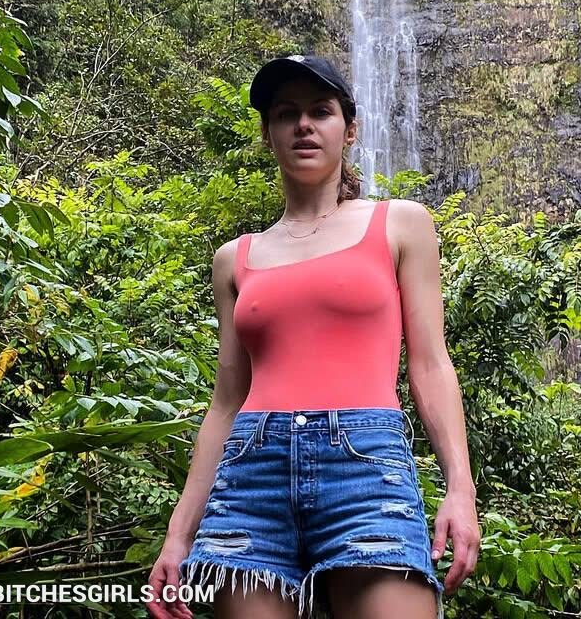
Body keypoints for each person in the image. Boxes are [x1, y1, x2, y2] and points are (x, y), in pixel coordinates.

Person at [147, 54, 480, 619]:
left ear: (349, 130)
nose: (303, 125)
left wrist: (460, 490)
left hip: (365, 469)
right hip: (251, 478)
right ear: (268, 133)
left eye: (320, 111)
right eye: (286, 113)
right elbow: (226, 402)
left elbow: (429, 365)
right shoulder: (234, 258)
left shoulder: (400, 224)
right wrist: (178, 536)